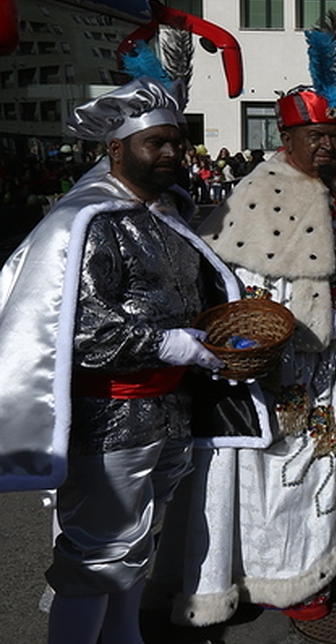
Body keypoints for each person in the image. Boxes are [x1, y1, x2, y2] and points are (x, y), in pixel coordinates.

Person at [166, 4, 336, 624]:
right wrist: (327, 319)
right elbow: (245, 290)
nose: (327, 146)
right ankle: (295, 576)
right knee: (294, 477)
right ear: (288, 138)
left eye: (333, 135)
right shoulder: (259, 192)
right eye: (315, 137)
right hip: (295, 364)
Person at [0, 77, 253, 644]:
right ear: (116, 147)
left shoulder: (166, 213)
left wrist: (219, 346)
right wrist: (171, 344)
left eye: (177, 142)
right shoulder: (88, 222)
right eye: (155, 142)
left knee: (139, 546)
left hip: (170, 413)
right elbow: (83, 329)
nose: (171, 153)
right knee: (93, 560)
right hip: (110, 421)